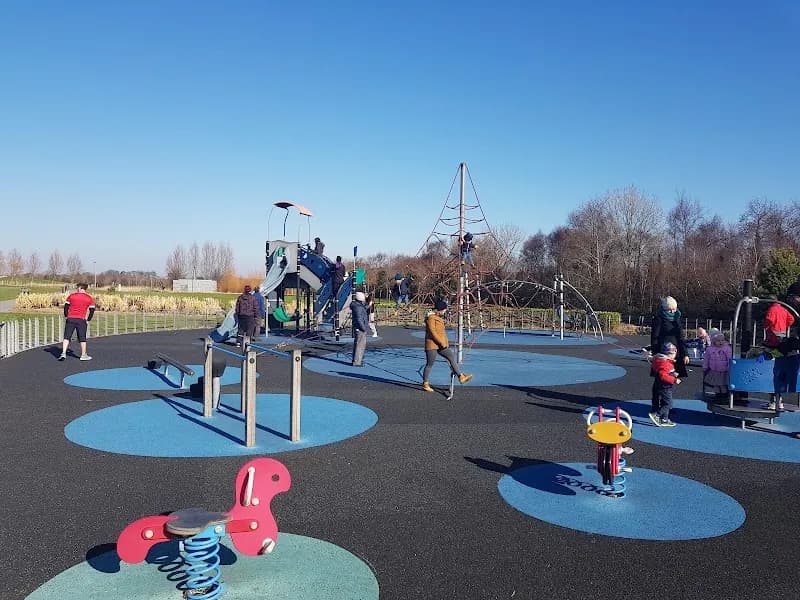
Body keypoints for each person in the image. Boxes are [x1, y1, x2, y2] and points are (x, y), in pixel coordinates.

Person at [421, 299, 473, 392]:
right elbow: (433, 332)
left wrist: (445, 342)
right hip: (432, 344)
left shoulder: (438, 317)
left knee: (451, 356)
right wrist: (441, 342)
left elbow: (441, 332)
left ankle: (460, 376)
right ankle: (425, 383)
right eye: (444, 310)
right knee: (430, 364)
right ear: (439, 309)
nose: (445, 311)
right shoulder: (431, 318)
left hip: (441, 344)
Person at [649, 296, 690, 378]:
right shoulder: (659, 319)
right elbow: (654, 338)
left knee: (674, 377)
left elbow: (681, 338)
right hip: (663, 352)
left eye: (674, 309)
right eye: (669, 309)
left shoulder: (677, 318)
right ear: (664, 309)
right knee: (662, 376)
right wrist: (656, 354)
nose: (672, 311)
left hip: (676, 353)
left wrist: (685, 354)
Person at [59, 283, 96, 361]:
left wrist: (66, 315)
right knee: (82, 338)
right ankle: (83, 355)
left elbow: (66, 307)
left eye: (77, 287)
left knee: (67, 336)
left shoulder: (72, 296)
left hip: (71, 318)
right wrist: (88, 319)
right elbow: (92, 310)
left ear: (80, 288)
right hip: (81, 320)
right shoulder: (89, 298)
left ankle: (63, 353)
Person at [648, 342, 681, 427]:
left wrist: (673, 373)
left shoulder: (660, 360)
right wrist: (674, 380)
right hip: (665, 386)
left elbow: (662, 372)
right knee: (668, 404)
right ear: (670, 354)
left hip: (659, 384)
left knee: (664, 401)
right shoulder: (666, 363)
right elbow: (663, 376)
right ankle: (657, 415)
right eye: (674, 354)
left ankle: (664, 419)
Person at [702, 332, 732, 397]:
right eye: (718, 341)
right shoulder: (709, 349)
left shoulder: (726, 348)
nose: (720, 342)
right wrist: (705, 366)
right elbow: (706, 359)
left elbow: (729, 358)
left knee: (723, 383)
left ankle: (724, 394)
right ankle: (717, 394)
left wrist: (730, 367)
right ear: (714, 341)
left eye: (722, 340)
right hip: (714, 369)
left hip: (724, 370)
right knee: (716, 383)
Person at [350, 291, 370, 366]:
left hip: (359, 327)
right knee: (360, 345)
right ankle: (357, 362)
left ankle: (357, 360)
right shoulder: (358, 307)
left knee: (359, 344)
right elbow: (359, 319)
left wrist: (369, 305)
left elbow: (363, 309)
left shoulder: (357, 305)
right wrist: (364, 328)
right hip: (360, 328)